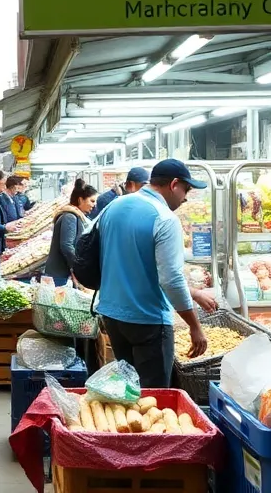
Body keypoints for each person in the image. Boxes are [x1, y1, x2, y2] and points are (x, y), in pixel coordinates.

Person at [95, 159, 218, 388]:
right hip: (147, 320)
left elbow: (135, 263)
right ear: (174, 184)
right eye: (186, 190)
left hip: (112, 314)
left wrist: (193, 293)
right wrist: (194, 325)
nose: (185, 198)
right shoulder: (165, 218)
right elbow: (170, 278)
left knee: (127, 389)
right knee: (154, 396)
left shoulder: (115, 206)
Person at [44, 179, 97, 286]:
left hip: (62, 272)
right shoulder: (70, 217)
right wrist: (78, 267)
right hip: (59, 273)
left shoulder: (75, 215)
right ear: (81, 200)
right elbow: (66, 245)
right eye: (92, 201)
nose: (94, 205)